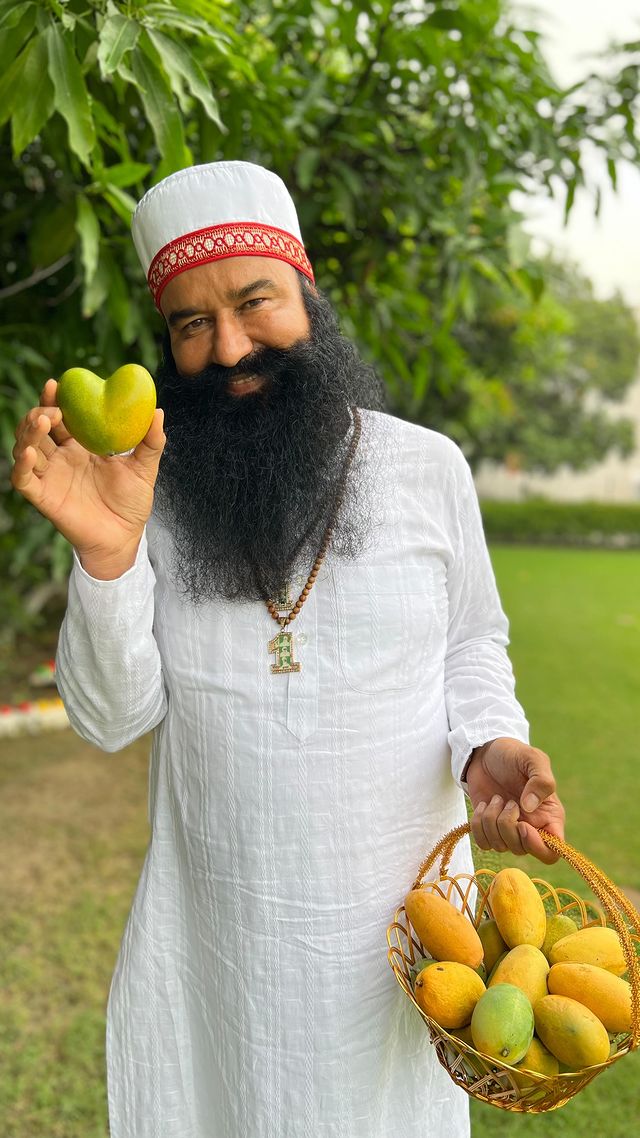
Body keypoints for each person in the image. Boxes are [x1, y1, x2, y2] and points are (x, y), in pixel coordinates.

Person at [11, 161, 565, 1138]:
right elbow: (108, 718)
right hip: (215, 945)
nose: (229, 346)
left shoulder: (427, 469)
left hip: (403, 946)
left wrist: (487, 742)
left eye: (254, 302)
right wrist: (107, 553)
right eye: (191, 323)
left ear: (305, 294)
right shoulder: (153, 497)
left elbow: (473, 641)